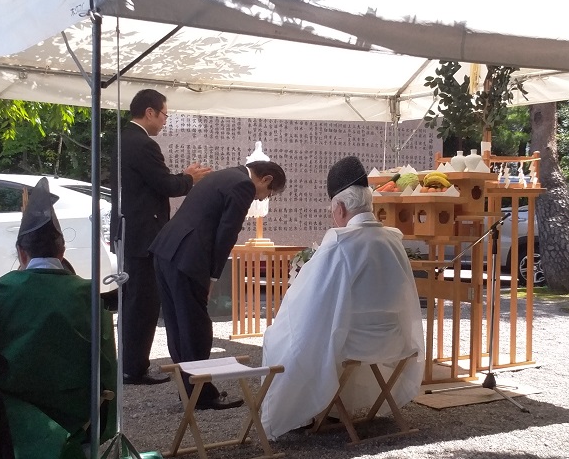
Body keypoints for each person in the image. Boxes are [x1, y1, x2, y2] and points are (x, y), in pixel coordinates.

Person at [0, 178, 118, 459]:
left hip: (15, 420)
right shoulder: (89, 294)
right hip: (79, 413)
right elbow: (106, 366)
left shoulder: (0, 293)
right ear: (62, 249)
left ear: (21, 252)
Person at [258, 156, 424, 439]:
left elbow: (308, 301)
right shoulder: (394, 241)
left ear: (341, 207)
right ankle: (337, 405)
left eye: (332, 210)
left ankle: (297, 415)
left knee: (280, 334)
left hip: (354, 344)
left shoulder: (340, 243)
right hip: (393, 340)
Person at [150, 159, 287, 410]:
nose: (262, 199)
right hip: (188, 255)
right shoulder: (243, 185)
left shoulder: (223, 175)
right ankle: (201, 393)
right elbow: (227, 233)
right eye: (268, 194)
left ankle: (189, 390)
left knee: (177, 324)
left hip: (166, 248)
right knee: (195, 326)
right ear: (265, 179)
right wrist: (213, 277)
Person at [112, 88, 212, 385]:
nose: (165, 121)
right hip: (144, 234)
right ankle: (132, 367)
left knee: (133, 301)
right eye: (165, 114)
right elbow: (165, 184)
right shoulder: (143, 144)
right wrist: (189, 178)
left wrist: (182, 177)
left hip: (130, 231)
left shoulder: (123, 139)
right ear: (150, 111)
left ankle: (130, 365)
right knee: (143, 303)